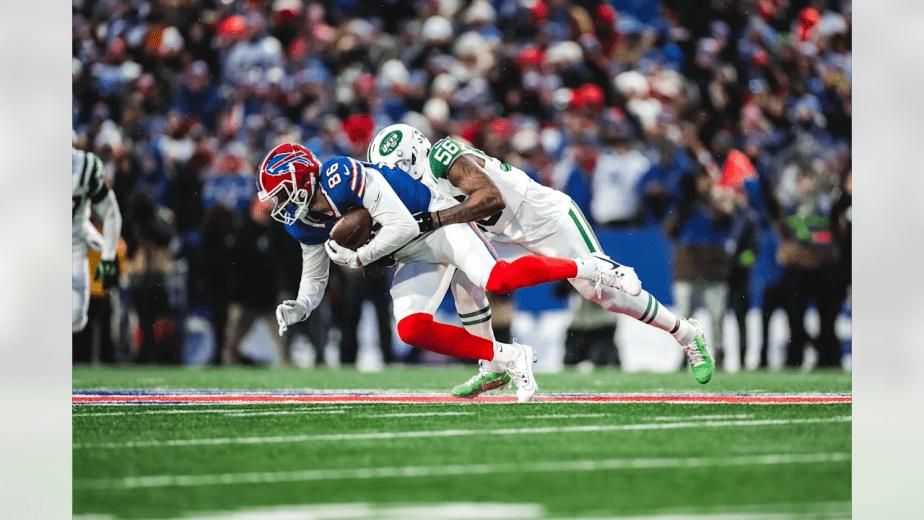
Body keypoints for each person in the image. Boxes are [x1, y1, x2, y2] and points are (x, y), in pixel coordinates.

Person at [259, 144, 633, 402]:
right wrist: (302, 304)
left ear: (303, 178)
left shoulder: (342, 174)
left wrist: (362, 257)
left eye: (281, 192)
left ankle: (589, 266)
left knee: (497, 279)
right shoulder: (302, 220)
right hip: (408, 252)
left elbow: (402, 226)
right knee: (411, 328)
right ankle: (509, 356)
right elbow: (315, 272)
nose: (279, 203)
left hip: (435, 226)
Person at [368, 124, 714, 398]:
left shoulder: (445, 158)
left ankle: (685, 332)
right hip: (500, 232)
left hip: (545, 219)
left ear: (414, 156)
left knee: (604, 296)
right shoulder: (412, 186)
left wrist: (436, 220)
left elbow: (490, 199)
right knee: (464, 281)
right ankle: (492, 368)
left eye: (396, 170)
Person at [72, 144, 122, 337]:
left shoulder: (84, 166)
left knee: (76, 319)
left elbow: (110, 212)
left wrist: (107, 255)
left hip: (74, 248)